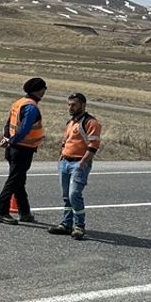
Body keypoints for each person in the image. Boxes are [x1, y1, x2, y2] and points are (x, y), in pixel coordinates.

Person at [48, 93, 102, 240]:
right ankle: (66, 224)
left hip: (79, 163)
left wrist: (84, 162)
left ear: (83, 105)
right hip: (65, 162)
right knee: (66, 197)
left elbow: (94, 145)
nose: (70, 107)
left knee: (74, 194)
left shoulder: (91, 123)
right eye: (69, 104)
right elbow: (66, 141)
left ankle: (79, 226)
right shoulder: (71, 122)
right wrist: (61, 156)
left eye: (74, 105)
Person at [0, 77, 46, 224]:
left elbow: (8, 124)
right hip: (22, 149)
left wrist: (7, 138)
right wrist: (12, 140)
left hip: (13, 148)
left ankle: (25, 212)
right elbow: (25, 128)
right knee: (14, 180)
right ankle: (1, 211)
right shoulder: (31, 107)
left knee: (19, 180)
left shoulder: (18, 103)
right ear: (40, 90)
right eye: (44, 89)